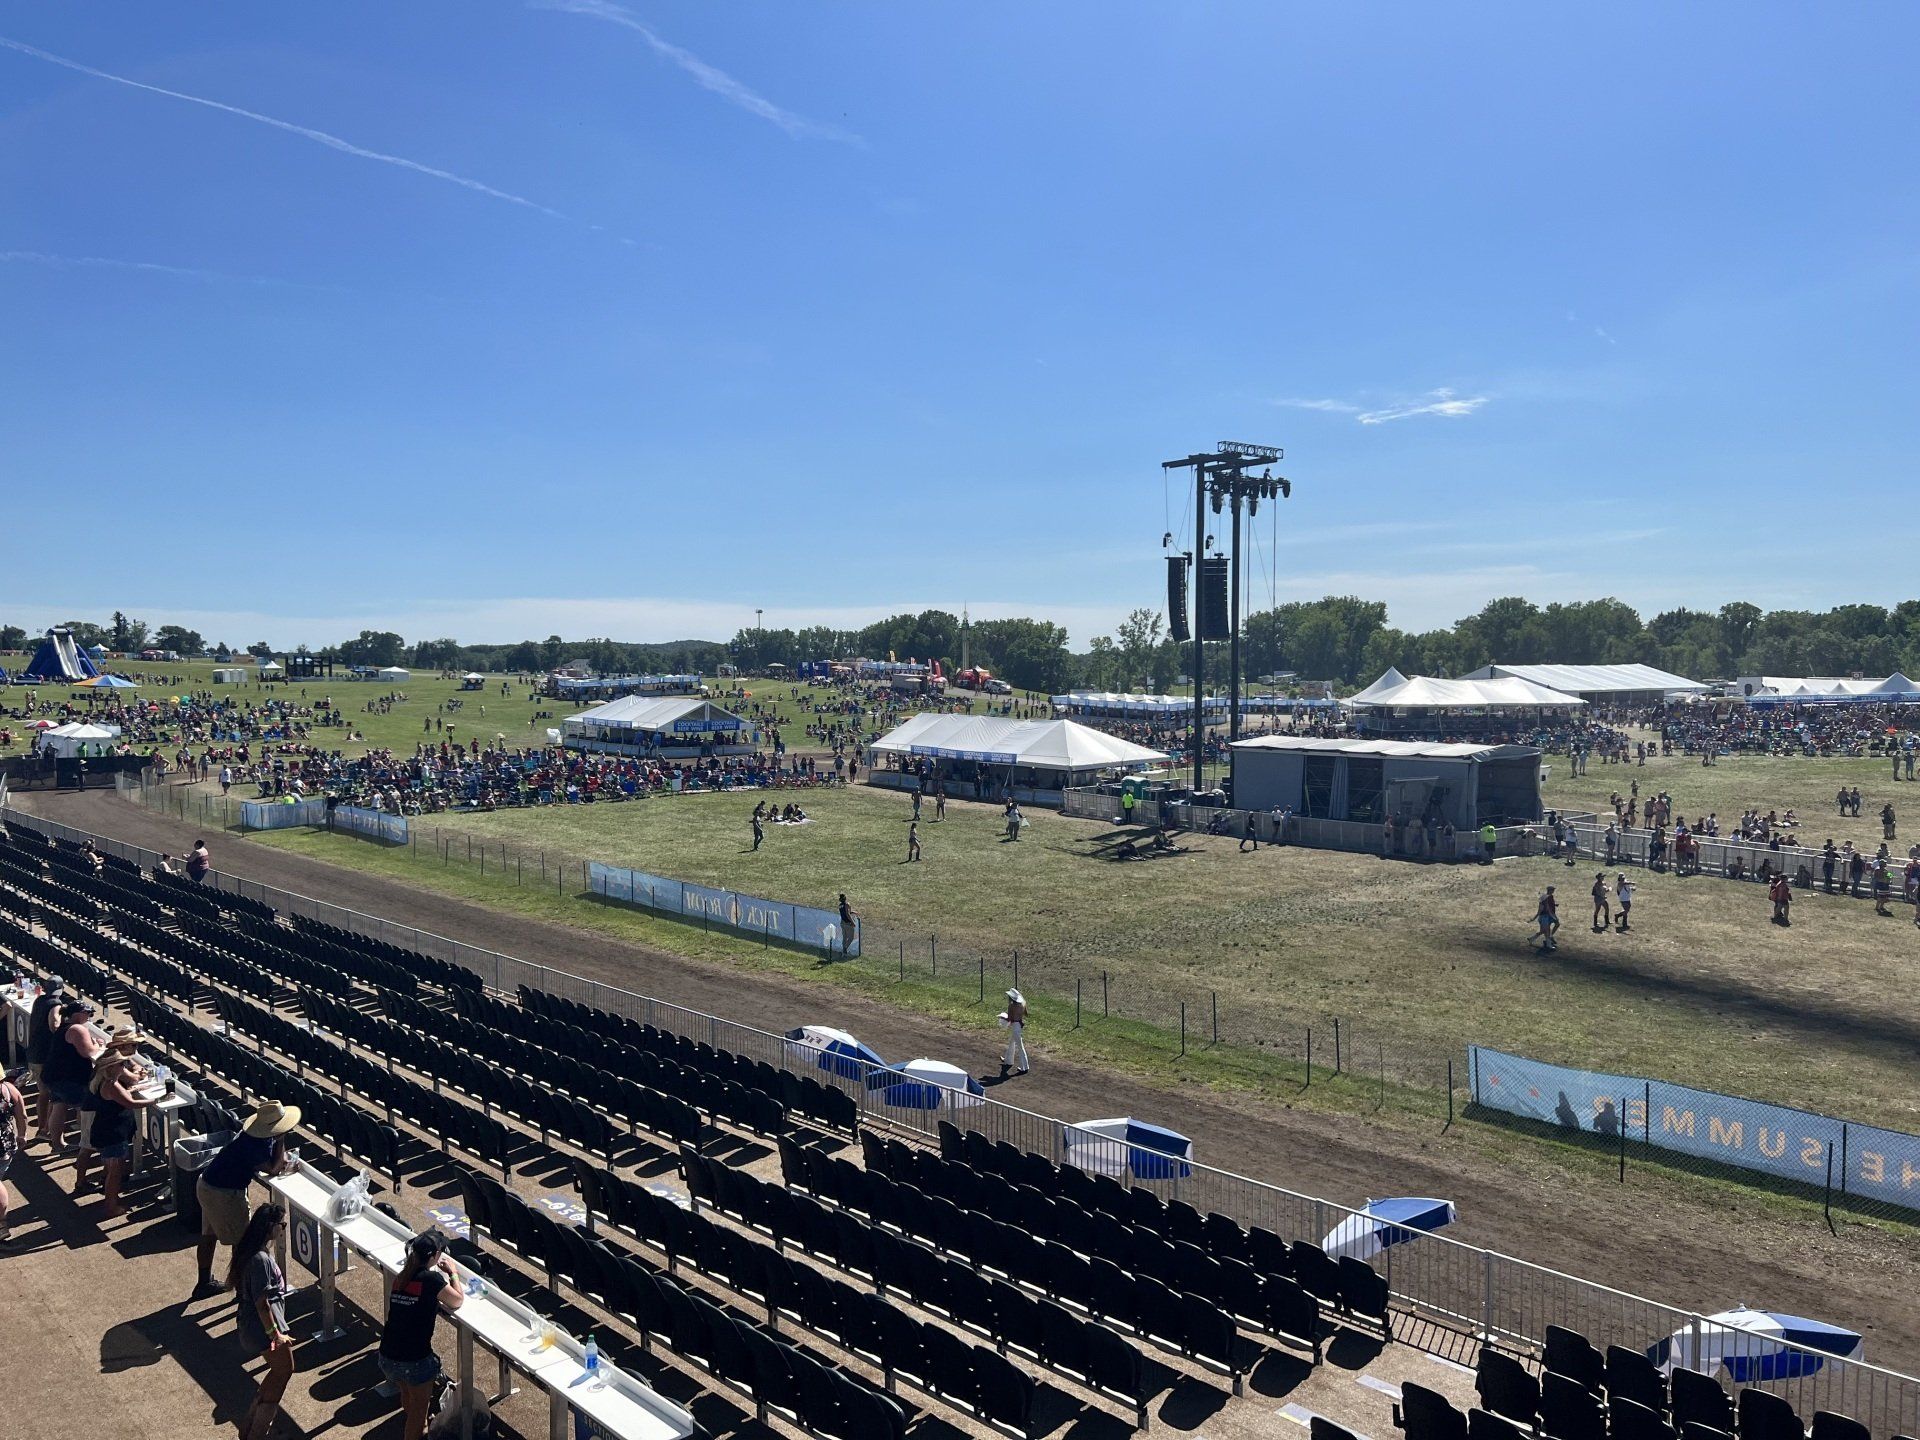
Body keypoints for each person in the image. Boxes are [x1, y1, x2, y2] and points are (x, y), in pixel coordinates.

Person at [195, 1101, 300, 1297]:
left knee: (209, 1235)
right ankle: (243, 1290)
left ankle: (204, 1282)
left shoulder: (252, 1136)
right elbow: (273, 1168)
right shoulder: (256, 1145)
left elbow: (275, 1161)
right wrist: (281, 1140)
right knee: (243, 1242)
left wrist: (279, 1147)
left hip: (207, 1184)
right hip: (225, 1193)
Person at [378, 1228, 467, 1440]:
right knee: (418, 1414)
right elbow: (457, 1300)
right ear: (435, 1256)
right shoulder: (432, 1280)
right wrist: (453, 1272)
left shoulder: (402, 1276)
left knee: (408, 1396)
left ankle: (423, 1430)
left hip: (388, 1355)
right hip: (414, 1360)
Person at [230, 1203, 295, 1440]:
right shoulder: (260, 1260)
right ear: (270, 1226)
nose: (282, 1229)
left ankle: (251, 1428)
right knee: (284, 1370)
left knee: (278, 1372)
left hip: (256, 1326)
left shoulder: (253, 1252)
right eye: (281, 1225)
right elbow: (262, 1304)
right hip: (262, 1329)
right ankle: (257, 1433)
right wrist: (275, 1334)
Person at [76, 1038, 156, 1216]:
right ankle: (111, 1206)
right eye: (121, 1064)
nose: (123, 1067)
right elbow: (131, 1104)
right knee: (115, 1172)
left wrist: (131, 1091)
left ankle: (109, 1200)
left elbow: (122, 1096)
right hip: (113, 1133)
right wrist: (155, 1100)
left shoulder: (106, 1082)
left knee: (112, 1169)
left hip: (107, 1130)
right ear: (112, 1067)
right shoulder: (112, 1085)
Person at [43, 998, 102, 1152]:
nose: (89, 1016)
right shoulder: (77, 1029)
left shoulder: (64, 1026)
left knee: (59, 1107)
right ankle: (87, 1146)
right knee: (88, 1108)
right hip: (69, 1080)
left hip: (54, 1076)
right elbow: (88, 1052)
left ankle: (58, 1144)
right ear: (77, 1013)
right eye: (87, 1013)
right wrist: (97, 1045)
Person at [24, 975, 65, 1139]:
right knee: (51, 1094)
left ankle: (43, 1128)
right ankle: (46, 1130)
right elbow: (54, 1024)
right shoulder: (55, 1003)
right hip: (45, 1056)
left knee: (42, 1093)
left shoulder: (39, 1000)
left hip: (34, 1053)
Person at [0, 1063, 26, 1244]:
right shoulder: (9, 1089)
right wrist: (22, 1135)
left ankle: (1, 1225)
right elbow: (22, 1115)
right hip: (5, 1145)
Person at [999, 988, 1029, 1077]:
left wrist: (1002, 1017)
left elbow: (1009, 1018)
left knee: (1020, 1046)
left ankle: (1024, 1067)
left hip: (1015, 1026)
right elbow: (1023, 1015)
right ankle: (1008, 1060)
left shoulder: (1011, 1006)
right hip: (1018, 1026)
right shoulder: (1022, 1005)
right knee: (1011, 1043)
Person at [1534, 887, 1560, 952]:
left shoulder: (1550, 896)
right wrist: (1552, 916)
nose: (1553, 891)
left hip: (1550, 914)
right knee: (1545, 930)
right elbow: (1545, 907)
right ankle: (1548, 943)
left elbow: (1549, 904)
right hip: (1547, 915)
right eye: (1552, 890)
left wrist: (1554, 905)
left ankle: (1548, 939)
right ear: (1549, 890)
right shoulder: (1546, 897)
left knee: (1548, 929)